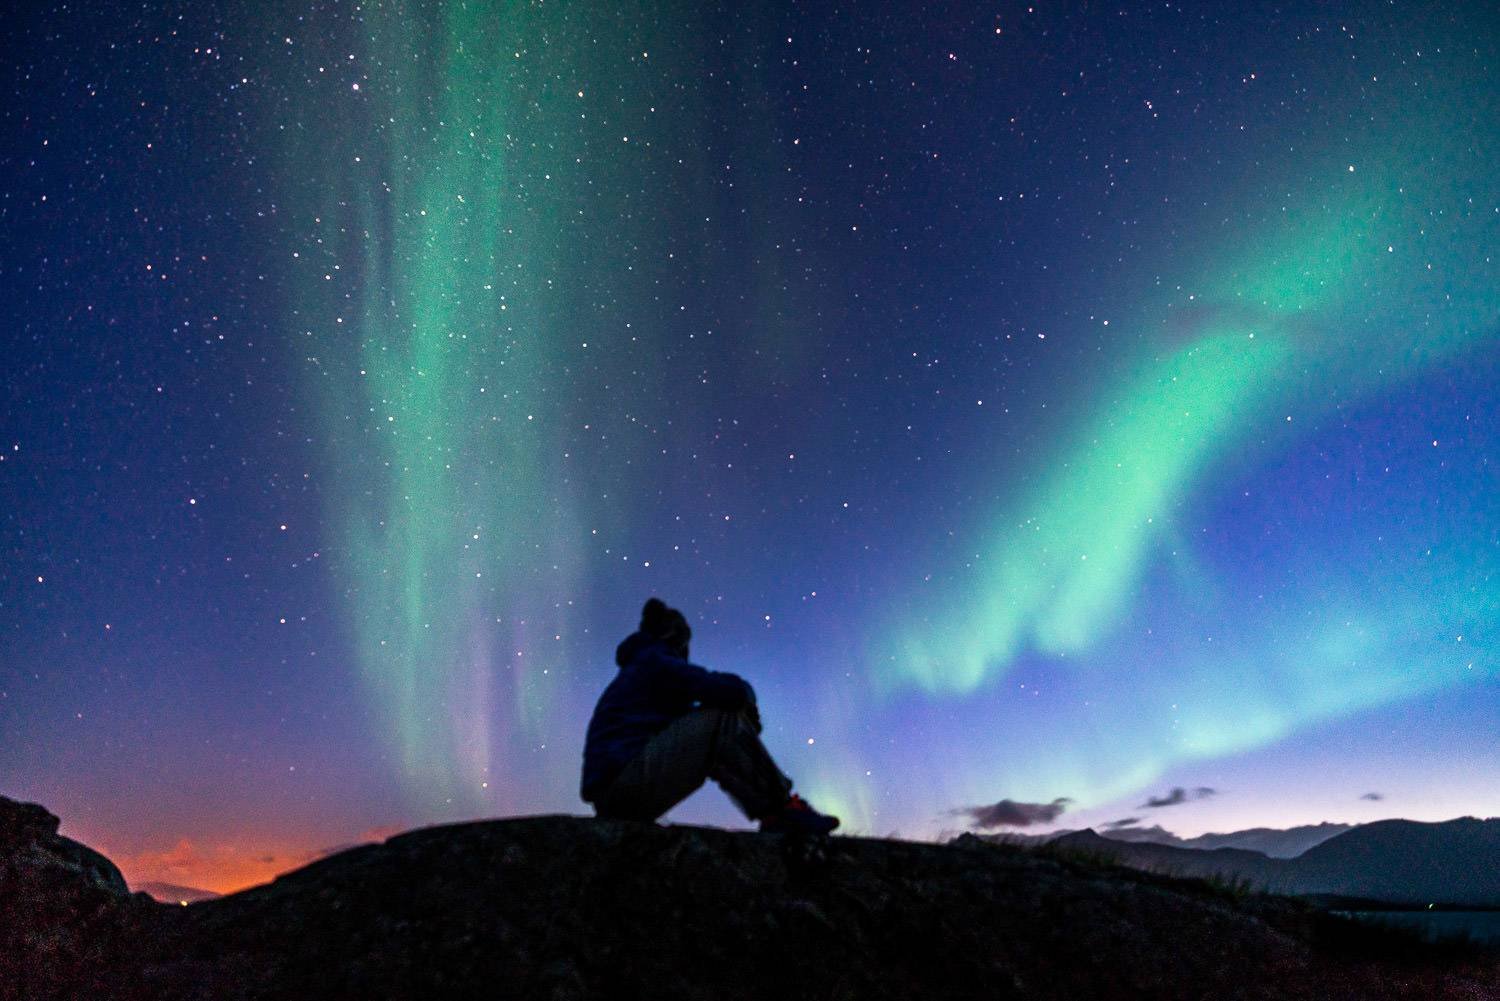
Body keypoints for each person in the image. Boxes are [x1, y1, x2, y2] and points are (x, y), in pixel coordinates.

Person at [580, 598, 839, 835]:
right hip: (622, 787)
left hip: (619, 789)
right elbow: (721, 690)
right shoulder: (653, 660)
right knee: (720, 720)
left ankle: (776, 810)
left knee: (717, 726)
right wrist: (745, 698)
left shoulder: (643, 667)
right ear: (673, 634)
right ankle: (781, 809)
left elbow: (691, 718)